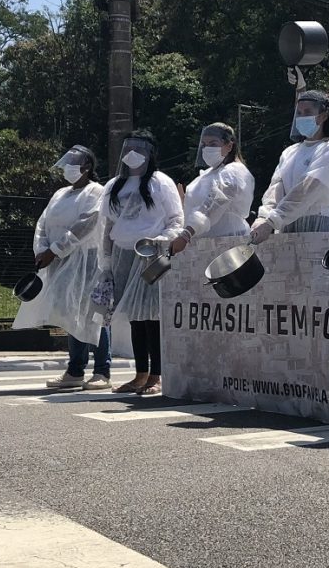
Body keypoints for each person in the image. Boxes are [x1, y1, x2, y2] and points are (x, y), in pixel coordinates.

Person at [92, 131, 184, 397]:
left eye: (139, 148)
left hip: (150, 254)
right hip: (122, 254)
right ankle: (140, 374)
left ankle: (157, 375)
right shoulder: (115, 185)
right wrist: (106, 259)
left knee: (151, 316)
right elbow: (107, 224)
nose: (132, 152)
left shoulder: (160, 182)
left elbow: (176, 219)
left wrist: (161, 240)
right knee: (134, 317)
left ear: (150, 152)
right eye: (128, 147)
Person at [13, 145, 110, 391]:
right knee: (70, 313)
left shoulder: (95, 191)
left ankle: (101, 371)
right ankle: (75, 370)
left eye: (74, 162)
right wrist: (42, 250)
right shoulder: (60, 194)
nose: (68, 167)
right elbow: (42, 223)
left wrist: (54, 249)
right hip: (59, 261)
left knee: (92, 314)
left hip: (86, 260)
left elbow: (86, 224)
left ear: (87, 167)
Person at [251, 91, 329, 240]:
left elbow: (308, 188)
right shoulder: (289, 152)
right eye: (299, 113)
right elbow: (276, 188)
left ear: (323, 116)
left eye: (308, 112)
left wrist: (273, 220)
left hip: (320, 226)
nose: (302, 117)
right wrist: (264, 216)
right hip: (286, 224)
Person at [169, 123, 255, 254]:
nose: (207, 148)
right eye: (204, 144)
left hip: (229, 244)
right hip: (210, 245)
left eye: (213, 144)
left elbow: (214, 203)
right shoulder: (209, 173)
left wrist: (186, 234)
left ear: (229, 146)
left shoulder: (234, 171)